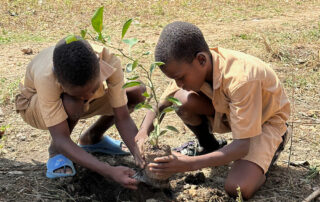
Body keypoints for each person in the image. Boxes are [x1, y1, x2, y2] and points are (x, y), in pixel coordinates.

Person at [135, 21, 291, 199]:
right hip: (231, 114)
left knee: (238, 188)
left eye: (180, 78)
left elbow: (242, 146)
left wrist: (189, 164)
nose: (178, 84)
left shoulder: (241, 79)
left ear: (201, 59)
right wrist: (142, 133)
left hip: (265, 122)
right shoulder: (192, 65)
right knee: (180, 98)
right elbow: (161, 103)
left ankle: (271, 152)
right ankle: (208, 146)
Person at [15, 37, 144, 189]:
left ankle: (92, 138)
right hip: (33, 105)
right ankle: (56, 153)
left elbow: (122, 117)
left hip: (73, 99)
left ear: (98, 67)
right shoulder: (47, 79)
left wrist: (139, 153)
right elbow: (60, 138)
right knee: (73, 103)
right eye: (79, 94)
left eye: (93, 89)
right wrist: (108, 171)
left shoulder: (108, 60)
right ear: (60, 84)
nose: (88, 98)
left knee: (137, 92)